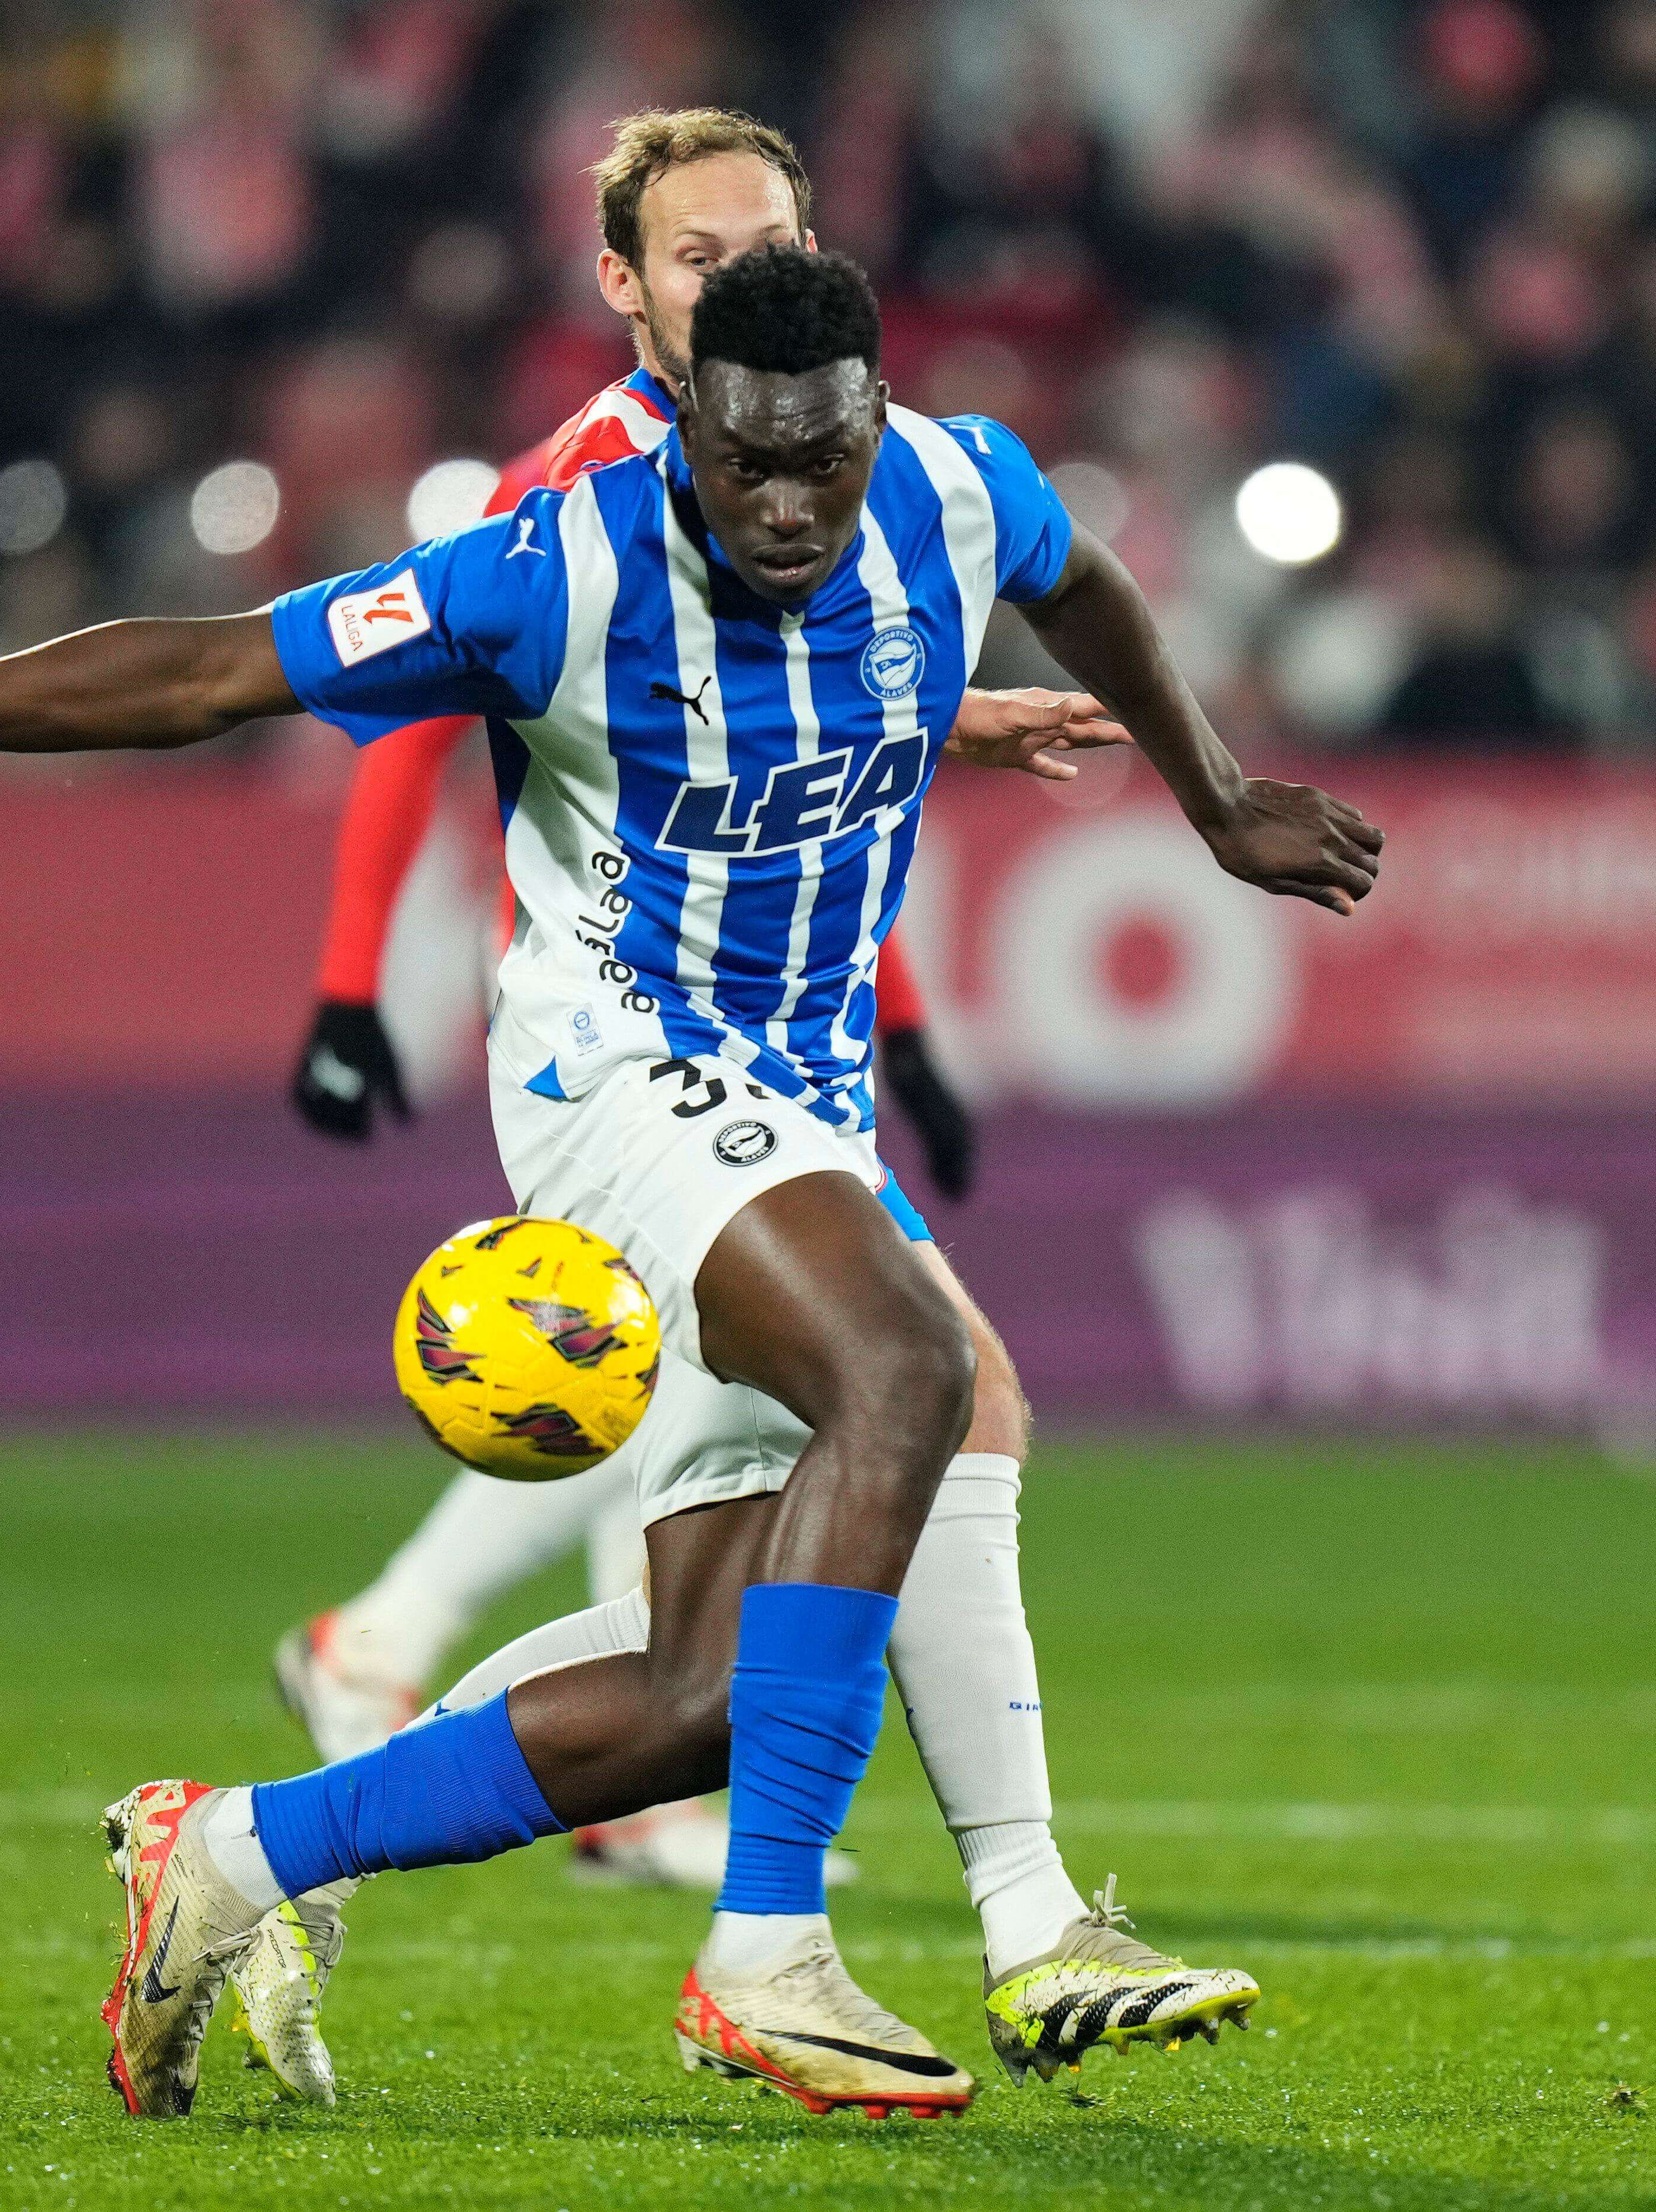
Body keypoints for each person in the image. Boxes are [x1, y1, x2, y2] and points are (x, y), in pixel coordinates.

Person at [0, 242, 1380, 2122]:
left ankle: (233, 1854)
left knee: (702, 1686)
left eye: (825, 462)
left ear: (877, 425)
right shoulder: (561, 567)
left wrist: (1217, 796)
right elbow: (211, 668)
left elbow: (1086, 583)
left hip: (804, 1099)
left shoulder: (958, 490)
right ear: (686, 417)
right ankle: (773, 1953)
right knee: (916, 1372)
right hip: (620, 1078)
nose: (787, 506)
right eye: (748, 460)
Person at [277, 115, 1063, 1906]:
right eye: (695, 257)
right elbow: (396, 708)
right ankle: (940, 1916)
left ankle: (340, 1767)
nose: (735, 278)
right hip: (632, 1051)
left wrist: (910, 1003)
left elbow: (818, 774)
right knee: (899, 1390)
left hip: (789, 1049)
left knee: (758, 1491)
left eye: (763, 241)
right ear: (625, 287)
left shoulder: (833, 451)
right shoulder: (571, 496)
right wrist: (343, 982)